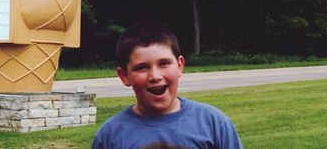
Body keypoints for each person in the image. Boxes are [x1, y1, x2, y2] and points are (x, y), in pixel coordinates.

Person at [91, 21, 244, 149]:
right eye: (142, 67)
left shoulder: (213, 123)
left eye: (164, 63)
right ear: (125, 76)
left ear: (180, 66)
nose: (155, 76)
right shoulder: (109, 136)